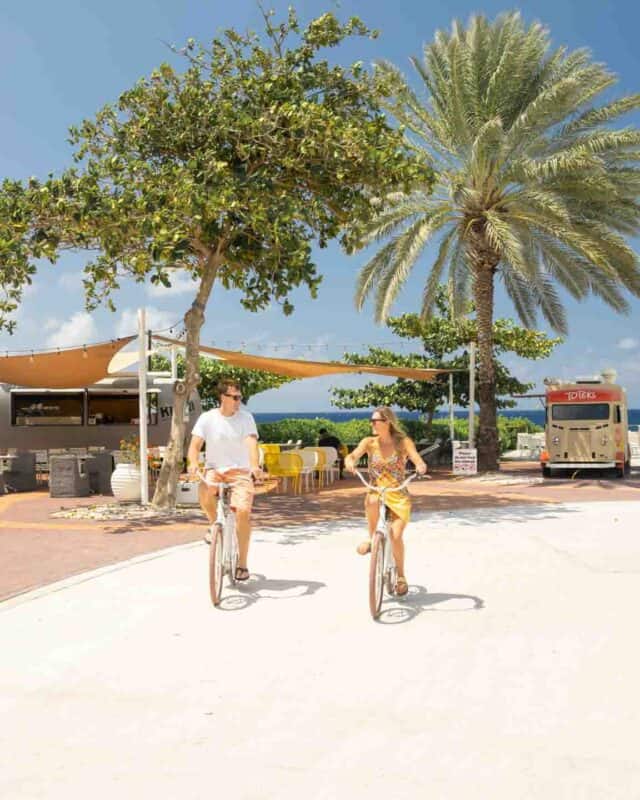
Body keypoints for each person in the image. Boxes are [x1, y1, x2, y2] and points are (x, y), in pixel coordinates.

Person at [344, 406, 427, 596]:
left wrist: (420, 466)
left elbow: (416, 458)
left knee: (396, 536)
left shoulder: (403, 442)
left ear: (387, 422)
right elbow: (354, 455)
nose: (372, 424)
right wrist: (350, 461)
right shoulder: (369, 442)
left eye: (375, 421)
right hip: (377, 490)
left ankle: (401, 577)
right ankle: (372, 538)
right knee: (372, 500)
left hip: (398, 494)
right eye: (371, 421)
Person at [187, 379, 263, 581]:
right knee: (204, 488)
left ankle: (242, 564)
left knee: (243, 512)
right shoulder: (207, 418)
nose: (239, 401)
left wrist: (254, 466)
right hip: (214, 469)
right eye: (235, 397)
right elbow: (195, 446)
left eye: (240, 397)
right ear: (223, 397)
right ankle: (214, 525)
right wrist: (193, 463)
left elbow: (251, 443)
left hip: (240, 472)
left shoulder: (245, 418)